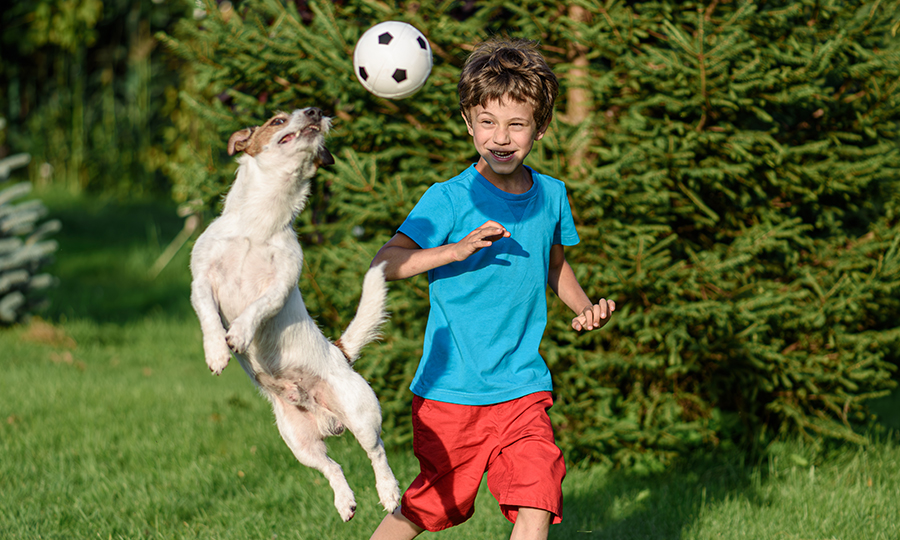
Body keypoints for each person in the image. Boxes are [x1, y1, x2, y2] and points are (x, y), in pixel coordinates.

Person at [368, 37, 615, 540]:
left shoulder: (552, 195)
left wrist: (585, 306)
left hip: (522, 385)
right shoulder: (448, 199)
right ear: (468, 123)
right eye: (487, 122)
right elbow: (385, 265)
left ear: (540, 128)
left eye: (516, 124)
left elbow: (555, 267)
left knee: (538, 493)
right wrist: (453, 250)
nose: (500, 137)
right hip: (452, 392)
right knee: (432, 507)